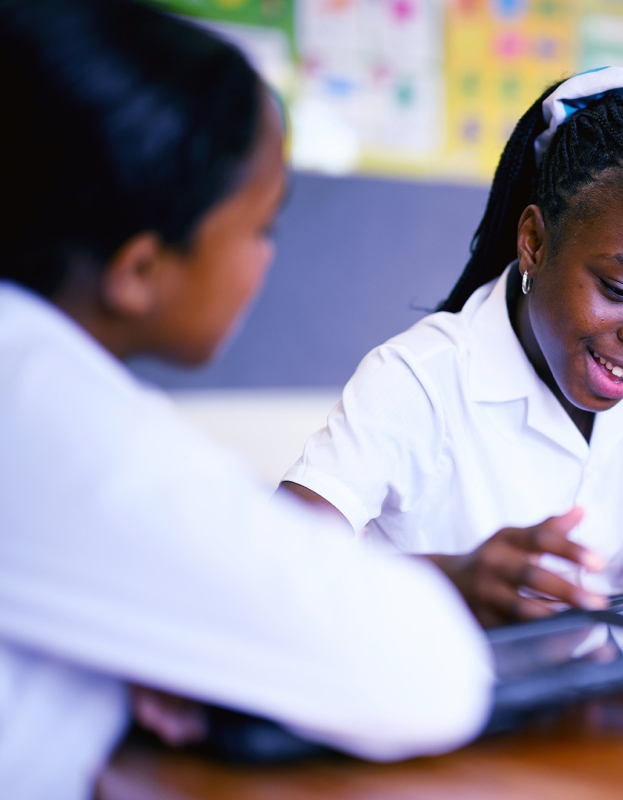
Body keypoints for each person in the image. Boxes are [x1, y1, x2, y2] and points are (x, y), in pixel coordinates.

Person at [0, 2, 492, 797]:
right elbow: (432, 672)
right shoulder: (40, 408)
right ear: (139, 270)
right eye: (262, 227)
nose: (267, 260)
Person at [281, 68, 623, 625]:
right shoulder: (419, 379)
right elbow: (272, 566)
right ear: (534, 243)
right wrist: (453, 580)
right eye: (618, 290)